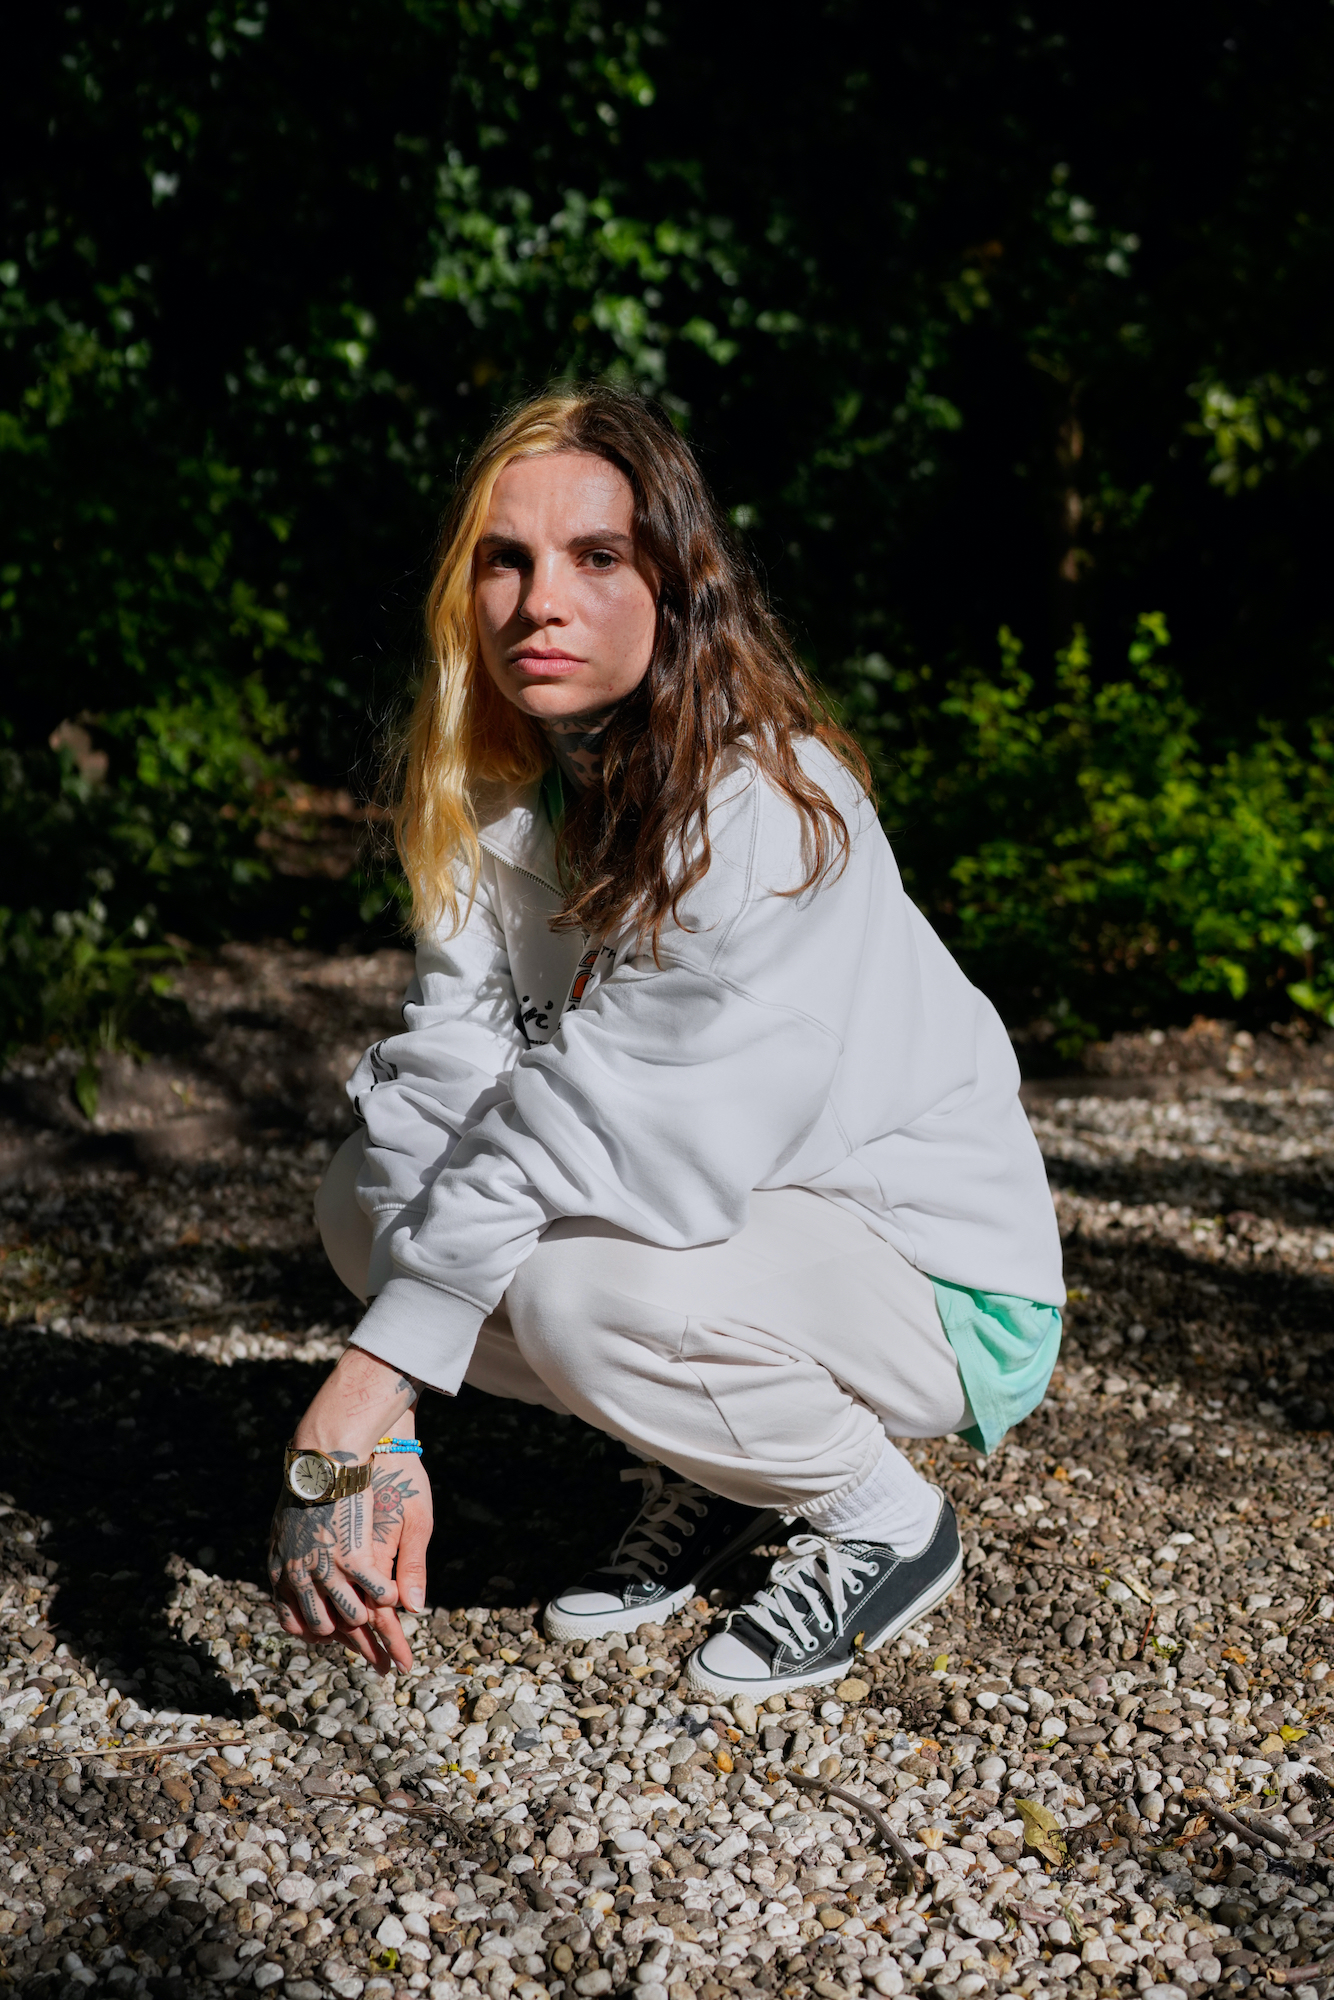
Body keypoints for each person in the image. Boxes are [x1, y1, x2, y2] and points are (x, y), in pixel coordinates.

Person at [269, 383, 1064, 1696]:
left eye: (596, 557)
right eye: (505, 561)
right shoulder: (497, 789)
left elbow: (610, 1117)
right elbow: (449, 1072)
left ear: (677, 586)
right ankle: (723, 1460)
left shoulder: (762, 808)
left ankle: (878, 1515)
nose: (540, 603)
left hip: (927, 1271)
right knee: (366, 1198)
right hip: (731, 1208)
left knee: (582, 1295)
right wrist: (391, 1423)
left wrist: (358, 1392)